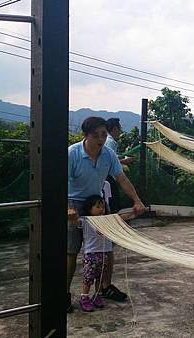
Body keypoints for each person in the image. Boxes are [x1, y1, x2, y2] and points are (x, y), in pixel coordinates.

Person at [67, 116, 145, 313]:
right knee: (71, 250)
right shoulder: (72, 153)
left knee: (106, 249)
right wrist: (68, 208)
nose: (100, 139)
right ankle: (64, 294)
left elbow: (122, 179)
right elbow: (60, 183)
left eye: (103, 134)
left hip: (97, 203)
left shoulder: (108, 154)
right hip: (74, 204)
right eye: (95, 135)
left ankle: (104, 288)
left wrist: (136, 200)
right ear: (85, 135)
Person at [104, 118, 133, 213]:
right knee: (113, 201)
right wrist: (125, 161)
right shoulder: (110, 141)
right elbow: (111, 160)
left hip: (107, 175)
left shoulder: (110, 141)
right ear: (115, 128)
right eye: (120, 128)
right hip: (107, 176)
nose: (120, 130)